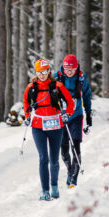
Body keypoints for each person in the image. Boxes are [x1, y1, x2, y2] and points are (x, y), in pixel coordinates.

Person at [23, 58, 75, 200]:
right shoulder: (31, 87)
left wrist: (67, 114)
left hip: (55, 126)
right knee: (43, 158)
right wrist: (27, 116)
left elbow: (70, 102)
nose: (42, 74)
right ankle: (45, 191)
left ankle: (54, 187)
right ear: (36, 72)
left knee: (53, 159)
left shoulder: (57, 86)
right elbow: (26, 102)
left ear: (49, 71)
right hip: (38, 126)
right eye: (39, 72)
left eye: (45, 71)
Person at [56, 54, 92, 188]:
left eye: (72, 70)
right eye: (67, 69)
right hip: (61, 118)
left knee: (75, 146)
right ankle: (70, 171)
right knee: (63, 149)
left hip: (76, 116)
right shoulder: (57, 77)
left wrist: (88, 115)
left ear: (76, 68)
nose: (69, 72)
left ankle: (74, 179)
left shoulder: (81, 79)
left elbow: (87, 96)